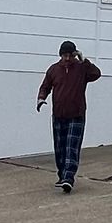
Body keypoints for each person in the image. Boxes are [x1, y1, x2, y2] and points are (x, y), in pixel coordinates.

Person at [36, 42, 101, 191]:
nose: (67, 58)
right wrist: (41, 98)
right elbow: (45, 86)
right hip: (59, 115)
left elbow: (96, 74)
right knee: (60, 148)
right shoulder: (53, 70)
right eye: (64, 55)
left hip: (76, 114)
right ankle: (62, 175)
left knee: (72, 147)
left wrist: (85, 60)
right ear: (60, 55)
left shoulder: (81, 68)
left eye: (70, 55)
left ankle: (69, 177)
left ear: (74, 54)